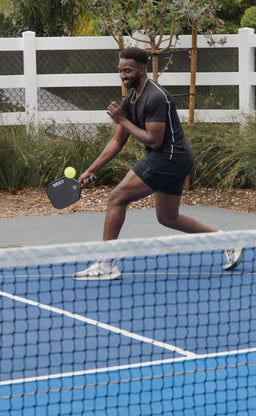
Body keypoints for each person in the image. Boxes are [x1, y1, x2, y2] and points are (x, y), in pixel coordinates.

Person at [73, 47, 243, 280]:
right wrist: (91, 170)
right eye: (120, 71)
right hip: (175, 158)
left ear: (142, 70)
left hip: (169, 158)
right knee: (168, 218)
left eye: (128, 71)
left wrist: (122, 119)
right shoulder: (131, 99)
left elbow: (154, 140)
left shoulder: (155, 97)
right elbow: (117, 141)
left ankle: (106, 263)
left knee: (116, 198)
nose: (123, 75)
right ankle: (228, 240)